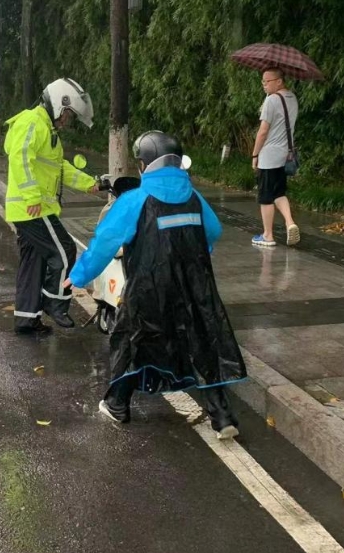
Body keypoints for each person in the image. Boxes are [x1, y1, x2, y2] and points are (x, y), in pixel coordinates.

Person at [66, 131, 246, 439]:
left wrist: (80, 275)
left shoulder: (135, 199)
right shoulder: (193, 196)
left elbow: (105, 242)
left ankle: (118, 404)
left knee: (131, 340)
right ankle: (222, 415)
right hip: (195, 288)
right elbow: (213, 231)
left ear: (144, 163)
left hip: (149, 288)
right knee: (203, 343)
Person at [4, 78, 99, 335]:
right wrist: (33, 197)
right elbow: (20, 159)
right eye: (68, 114)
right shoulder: (32, 122)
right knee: (64, 249)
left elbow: (60, 169)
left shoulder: (46, 129)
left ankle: (27, 319)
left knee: (33, 262)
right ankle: (54, 301)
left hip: (29, 208)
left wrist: (92, 184)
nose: (67, 120)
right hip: (32, 209)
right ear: (59, 103)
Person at [251, 69, 300, 248]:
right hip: (285, 154)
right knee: (279, 192)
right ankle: (290, 223)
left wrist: (255, 154)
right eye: (263, 82)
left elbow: (263, 131)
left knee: (265, 197)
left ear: (279, 81)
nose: (264, 85)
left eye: (267, 81)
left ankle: (268, 235)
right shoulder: (292, 98)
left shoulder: (271, 100)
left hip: (269, 155)